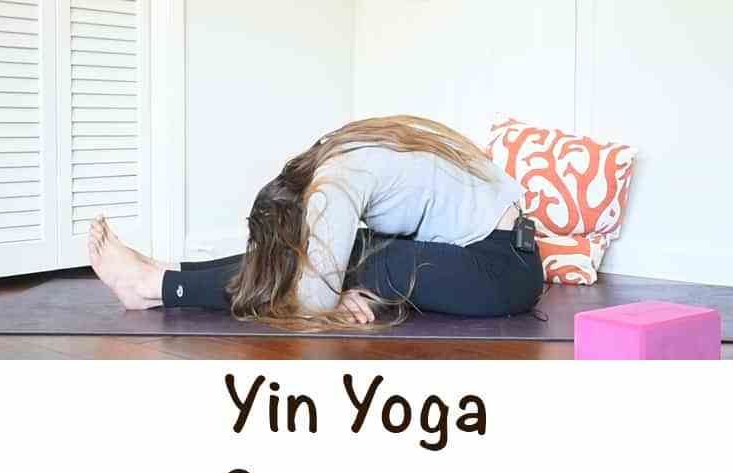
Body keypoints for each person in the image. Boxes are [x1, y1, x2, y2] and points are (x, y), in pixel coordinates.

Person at [88, 115, 544, 329]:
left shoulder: (333, 187)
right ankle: (171, 271)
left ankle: (154, 285)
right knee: (353, 253)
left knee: (348, 262)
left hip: (499, 274)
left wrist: (332, 293)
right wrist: (333, 291)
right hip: (509, 256)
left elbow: (309, 296)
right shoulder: (337, 151)